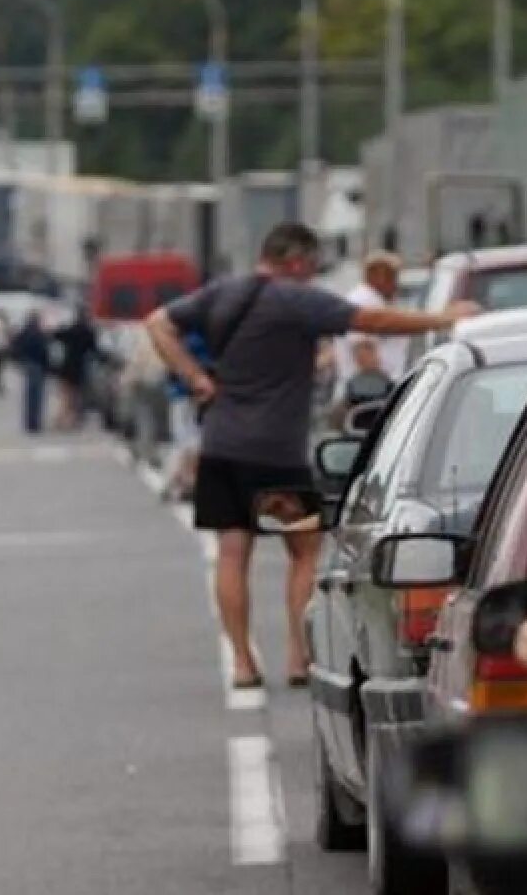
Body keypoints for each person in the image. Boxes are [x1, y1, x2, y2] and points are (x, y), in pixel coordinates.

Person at [146, 221, 479, 689]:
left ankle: (242, 663)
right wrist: (442, 319)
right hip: (277, 453)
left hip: (222, 446)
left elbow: (158, 323)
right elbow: (372, 322)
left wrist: (196, 377)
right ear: (297, 260)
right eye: (313, 265)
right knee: (303, 551)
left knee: (232, 550)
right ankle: (298, 657)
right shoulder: (297, 299)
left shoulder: (222, 293)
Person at [336, 250, 409, 386]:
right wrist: (384, 388)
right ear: (379, 276)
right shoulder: (365, 301)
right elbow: (364, 352)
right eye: (393, 277)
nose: (396, 285)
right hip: (372, 390)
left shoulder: (371, 300)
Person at [161, 330, 211, 502]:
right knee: (191, 442)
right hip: (189, 396)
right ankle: (182, 482)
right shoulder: (199, 340)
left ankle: (177, 482)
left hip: (182, 395)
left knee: (185, 441)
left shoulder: (180, 336)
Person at [52, 306, 101, 430]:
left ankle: (61, 421)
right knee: (77, 397)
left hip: (66, 367)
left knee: (65, 396)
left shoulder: (70, 330)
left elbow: (56, 335)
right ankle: (72, 421)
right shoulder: (89, 332)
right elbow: (95, 350)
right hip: (80, 368)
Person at [10, 312, 52, 435]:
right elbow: (45, 352)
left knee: (29, 396)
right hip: (37, 366)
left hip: (29, 365)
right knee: (37, 396)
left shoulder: (24, 333)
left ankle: (30, 422)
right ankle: (35, 422)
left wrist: (20, 360)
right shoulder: (40, 335)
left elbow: (15, 347)